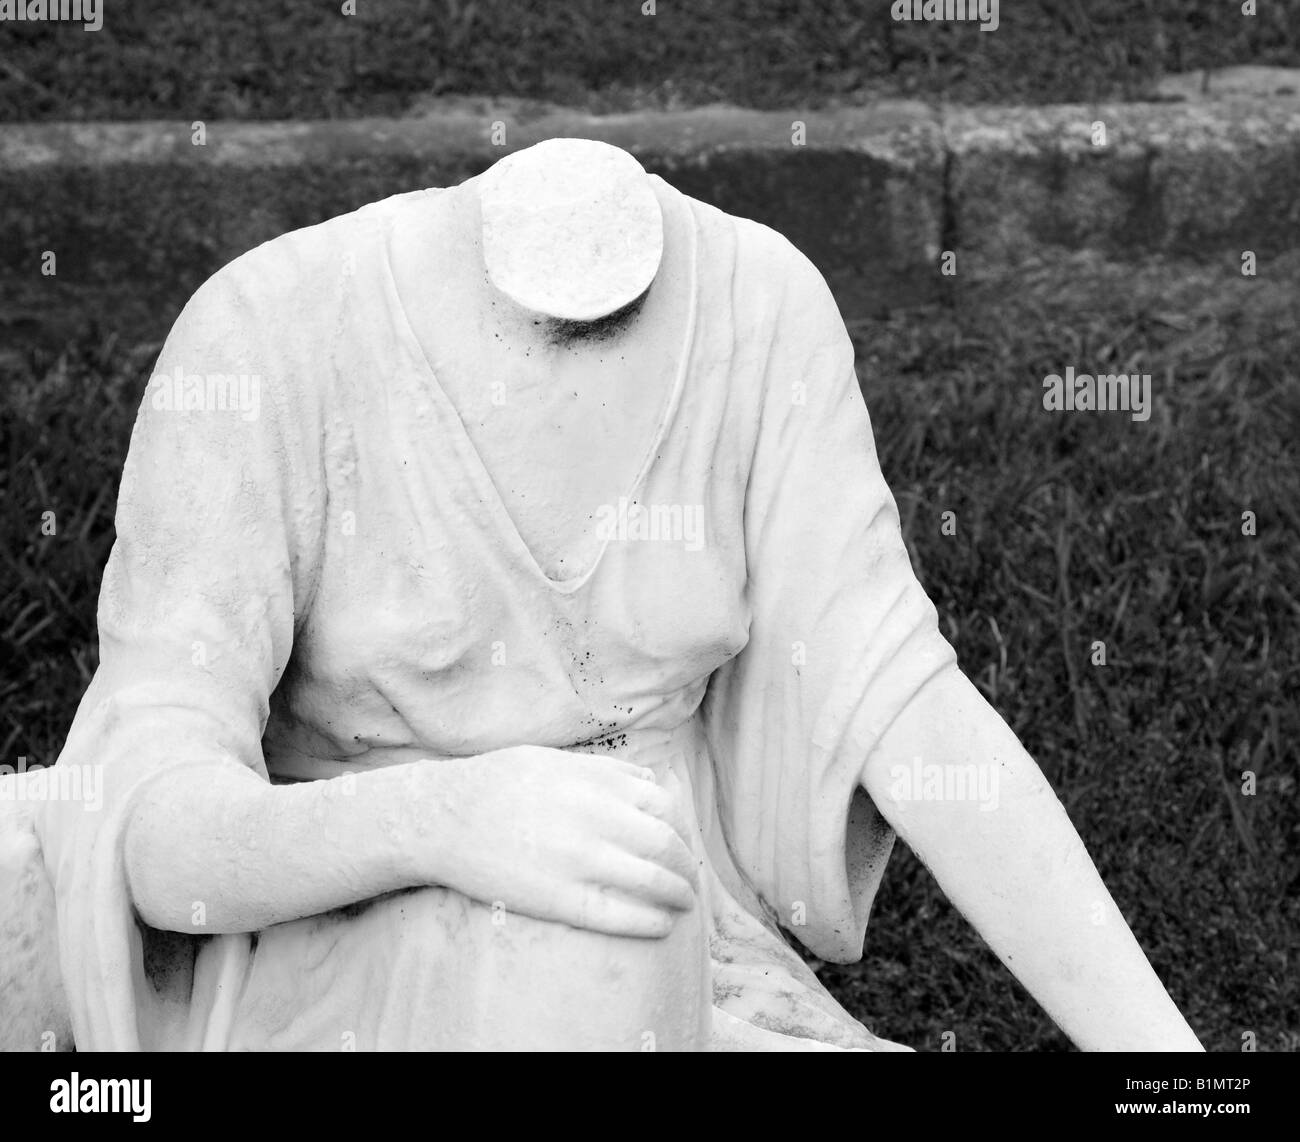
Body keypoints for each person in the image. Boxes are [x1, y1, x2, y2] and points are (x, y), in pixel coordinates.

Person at [11, 140, 1202, 1051]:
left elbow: (901, 700)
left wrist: (1160, 1059)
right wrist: (444, 819)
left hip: (660, 933)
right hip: (325, 948)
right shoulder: (270, 334)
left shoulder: (755, 307)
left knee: (615, 923)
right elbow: (157, 829)